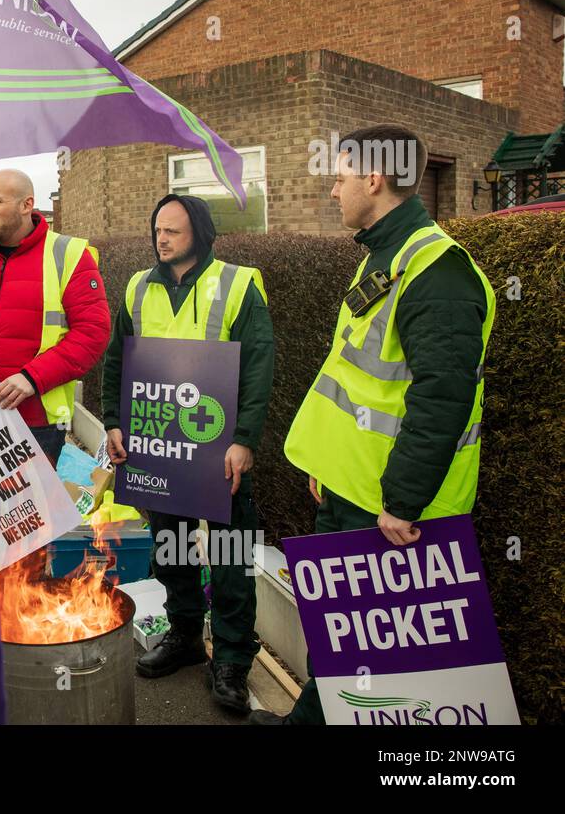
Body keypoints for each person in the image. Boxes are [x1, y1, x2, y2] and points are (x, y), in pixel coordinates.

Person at [249, 124, 496, 725]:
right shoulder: (385, 255)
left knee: (383, 663)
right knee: (352, 642)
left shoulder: (437, 271)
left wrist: (403, 501)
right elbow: (358, 383)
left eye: (339, 178)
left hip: (390, 509)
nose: (333, 191)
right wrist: (328, 471)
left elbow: (443, 399)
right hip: (353, 490)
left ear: (374, 179)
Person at [102, 193, 274, 714]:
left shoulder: (239, 284)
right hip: (159, 445)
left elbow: (259, 367)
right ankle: (184, 639)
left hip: (217, 450)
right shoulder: (136, 287)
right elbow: (116, 361)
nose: (162, 238)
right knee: (169, 548)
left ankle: (232, 660)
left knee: (227, 558)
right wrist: (112, 421)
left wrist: (244, 439)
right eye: (158, 229)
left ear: (199, 232)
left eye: (173, 230)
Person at [0, 169, 109, 467]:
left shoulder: (68, 255)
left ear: (26, 204)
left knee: (33, 513)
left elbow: (92, 333)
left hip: (37, 421)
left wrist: (32, 378)